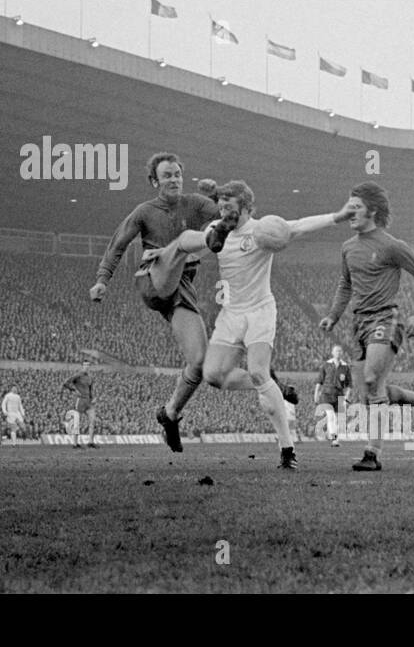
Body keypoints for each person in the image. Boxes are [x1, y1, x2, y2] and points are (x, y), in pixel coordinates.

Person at [91, 153, 295, 452]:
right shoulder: (144, 212)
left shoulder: (195, 204)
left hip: (180, 290)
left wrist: (215, 197)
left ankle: (170, 414)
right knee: (185, 243)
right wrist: (101, 279)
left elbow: (229, 214)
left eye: (177, 174)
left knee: (199, 363)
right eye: (167, 175)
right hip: (153, 279)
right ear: (154, 181)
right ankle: (182, 248)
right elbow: (118, 243)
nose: (173, 179)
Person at [142, 180, 352, 469]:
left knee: (257, 370)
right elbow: (190, 249)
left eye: (230, 207)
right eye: (222, 206)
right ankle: (269, 384)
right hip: (231, 314)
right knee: (213, 375)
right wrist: (162, 254)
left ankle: (287, 449)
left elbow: (300, 225)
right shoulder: (216, 230)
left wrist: (337, 217)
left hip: (260, 312)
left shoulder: (263, 230)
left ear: (246, 208)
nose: (224, 211)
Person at [319, 183, 414, 472]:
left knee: (373, 379)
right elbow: (345, 284)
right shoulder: (348, 247)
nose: (350, 212)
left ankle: (372, 454)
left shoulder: (391, 245)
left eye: (356, 207)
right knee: (369, 392)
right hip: (359, 324)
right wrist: (334, 315)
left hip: (385, 319)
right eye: (348, 206)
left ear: (372, 211)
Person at [314, 344, 353, 446]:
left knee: (339, 418)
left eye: (340, 351)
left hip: (339, 395)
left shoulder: (345, 367)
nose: (338, 353)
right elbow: (319, 381)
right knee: (331, 416)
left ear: (342, 353)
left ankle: (333, 436)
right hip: (326, 394)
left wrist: (346, 397)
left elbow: (349, 385)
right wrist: (316, 394)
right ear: (332, 352)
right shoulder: (326, 365)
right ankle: (334, 439)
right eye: (336, 351)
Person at [63, 361, 97, 448]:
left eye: (88, 365)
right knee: (77, 422)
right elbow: (66, 383)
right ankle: (75, 443)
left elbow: (91, 389)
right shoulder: (78, 375)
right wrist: (74, 390)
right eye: (85, 365)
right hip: (80, 400)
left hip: (88, 402)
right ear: (82, 366)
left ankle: (90, 442)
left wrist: (93, 397)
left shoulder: (90, 377)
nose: (87, 367)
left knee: (93, 420)